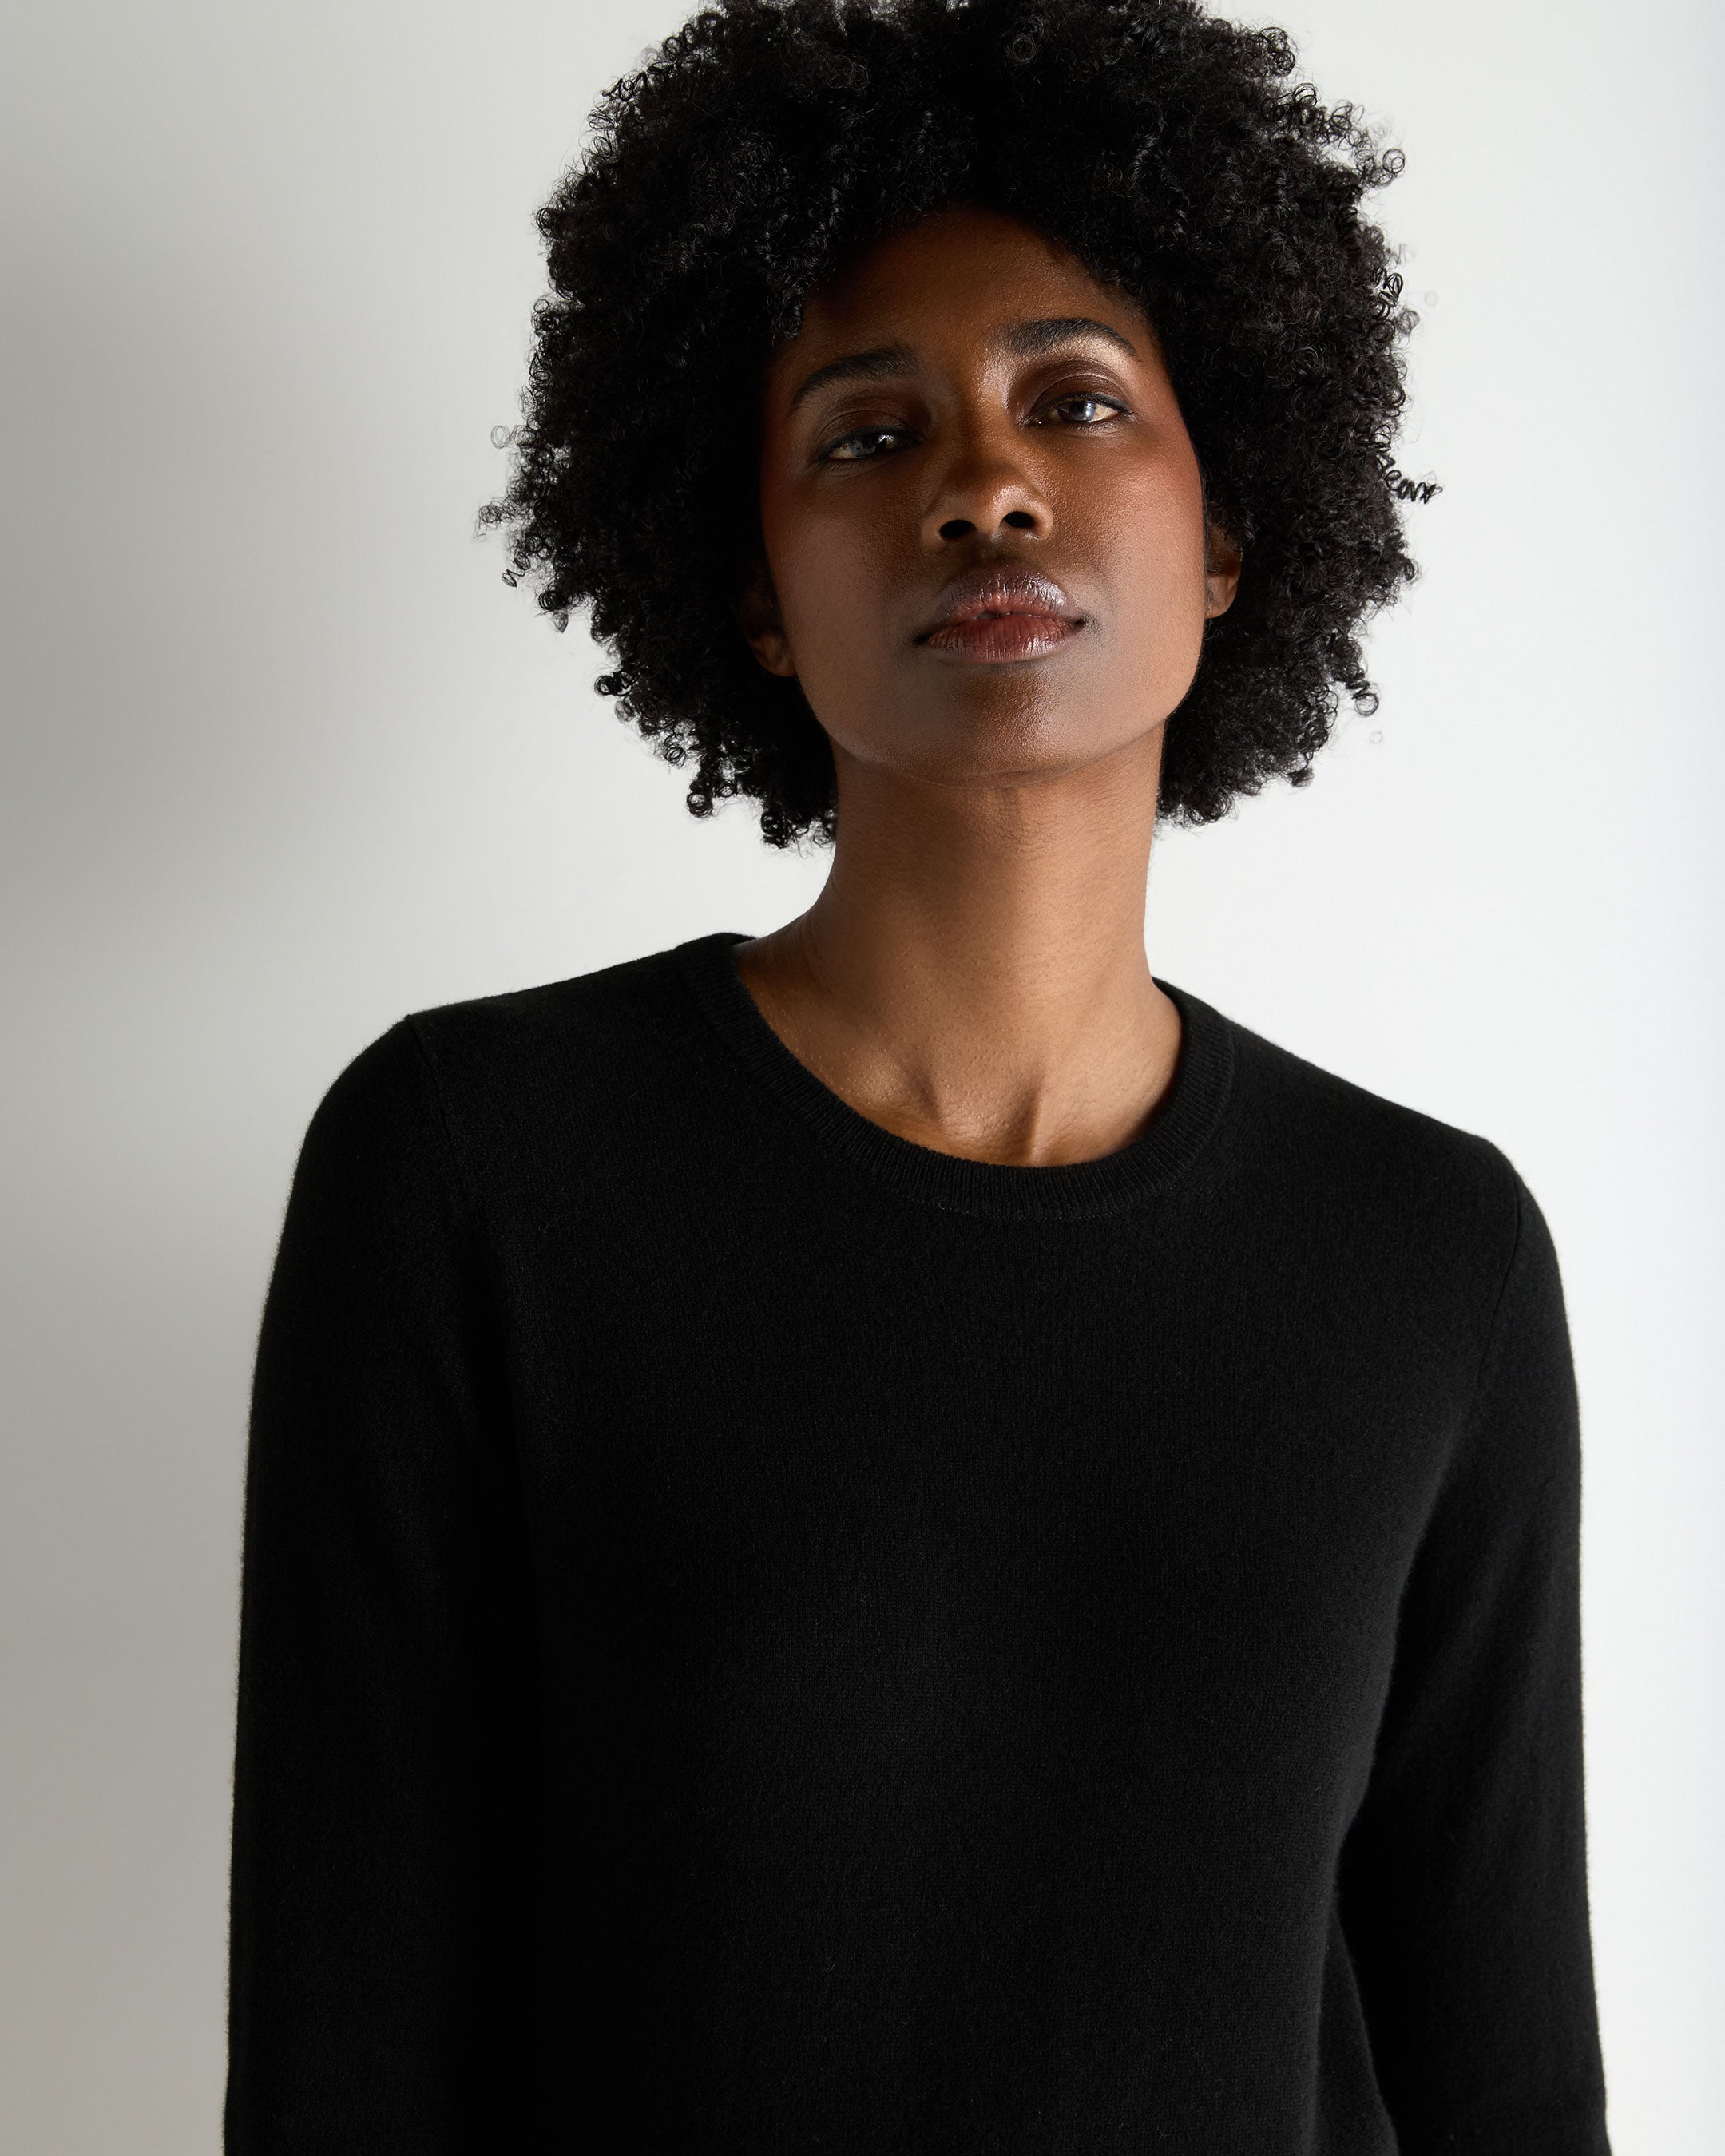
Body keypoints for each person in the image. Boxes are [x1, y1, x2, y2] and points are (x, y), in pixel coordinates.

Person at [225, 1, 1612, 2149]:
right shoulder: (478, 1170)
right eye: (869, 435)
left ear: (1227, 528)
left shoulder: (1431, 1258)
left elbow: (1506, 2077)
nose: (986, 484)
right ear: (757, 593)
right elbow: (344, 2058)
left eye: (1077, 399)